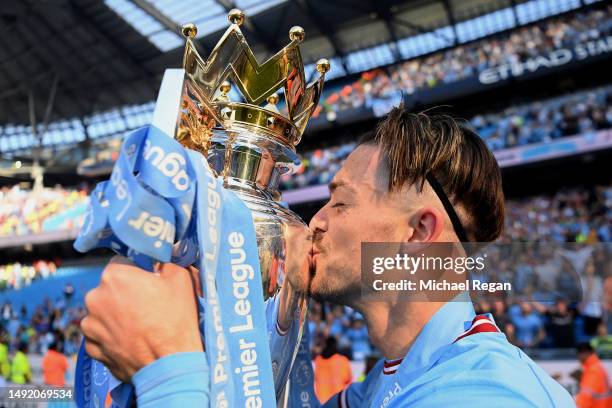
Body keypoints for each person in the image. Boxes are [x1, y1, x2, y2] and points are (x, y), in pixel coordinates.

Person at [82, 108, 574, 406]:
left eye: (340, 202)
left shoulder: (488, 395)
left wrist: (167, 368)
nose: (315, 222)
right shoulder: (391, 383)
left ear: (418, 232)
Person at [314, 336, 352, 403]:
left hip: (321, 402)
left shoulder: (318, 360)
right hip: (337, 401)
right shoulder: (342, 360)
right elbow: (348, 380)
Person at [575, 343, 611, 408]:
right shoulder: (596, 367)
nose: (578, 358)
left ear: (583, 353)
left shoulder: (592, 370)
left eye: (578, 354)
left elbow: (586, 396)